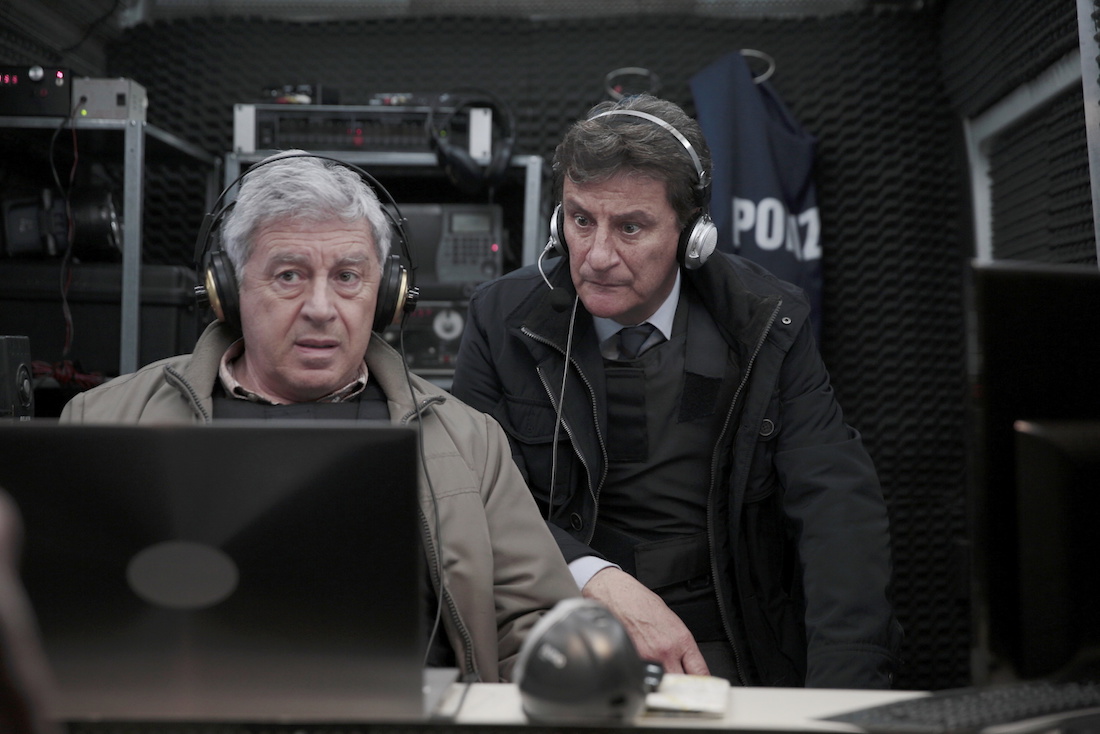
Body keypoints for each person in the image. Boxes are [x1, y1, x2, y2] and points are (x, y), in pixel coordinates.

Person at [59, 150, 579, 683]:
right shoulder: (104, 422)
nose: (321, 308)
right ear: (228, 289)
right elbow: (54, 617)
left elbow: (536, 624)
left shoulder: (470, 442)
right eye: (289, 275)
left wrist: (562, 673)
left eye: (348, 276)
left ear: (388, 295)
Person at [450, 94, 903, 688]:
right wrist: (593, 576)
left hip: (726, 632)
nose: (597, 256)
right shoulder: (499, 319)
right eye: (581, 220)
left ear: (693, 236)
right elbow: (469, 496)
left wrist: (841, 696)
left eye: (630, 227)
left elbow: (837, 510)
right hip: (558, 613)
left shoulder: (767, 321)